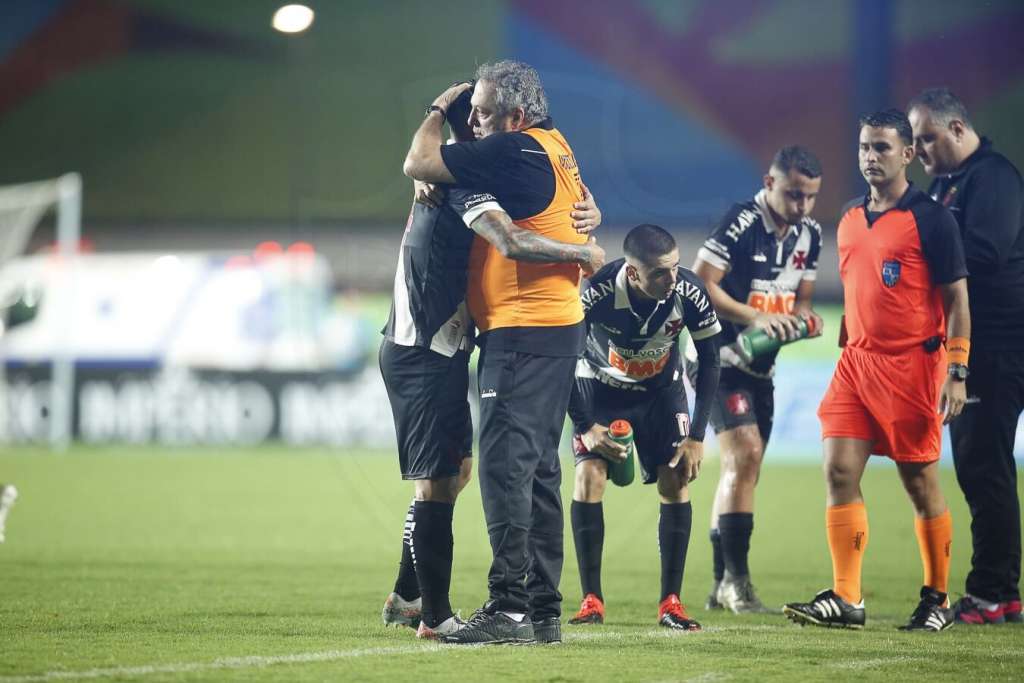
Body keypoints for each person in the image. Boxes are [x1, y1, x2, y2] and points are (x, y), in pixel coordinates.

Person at [382, 87, 605, 640]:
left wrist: (588, 210)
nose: (485, 127)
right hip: (422, 348)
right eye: (478, 118)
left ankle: (410, 594)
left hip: (455, 346)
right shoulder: (459, 185)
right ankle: (435, 616)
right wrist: (582, 251)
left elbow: (561, 193)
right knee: (441, 481)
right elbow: (507, 238)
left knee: (458, 473)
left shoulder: (485, 172)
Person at [783, 109, 970, 632]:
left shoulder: (932, 220)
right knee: (839, 471)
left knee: (920, 482)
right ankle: (848, 597)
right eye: (865, 146)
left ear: (908, 154)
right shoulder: (848, 216)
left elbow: (957, 299)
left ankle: (937, 598)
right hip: (855, 364)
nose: (870, 156)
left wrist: (957, 368)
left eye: (882, 147)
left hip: (913, 367)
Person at [686, 146, 824, 614]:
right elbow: (700, 283)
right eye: (794, 194)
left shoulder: (810, 234)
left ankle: (718, 585)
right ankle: (736, 583)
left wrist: (804, 320)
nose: (802, 205)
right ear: (769, 183)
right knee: (744, 455)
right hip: (717, 358)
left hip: (760, 366)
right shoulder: (742, 221)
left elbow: (803, 299)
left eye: (810, 196)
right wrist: (757, 317)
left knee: (744, 468)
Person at [566, 224, 721, 631]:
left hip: (660, 394)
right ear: (633, 273)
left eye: (676, 267)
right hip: (599, 389)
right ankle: (591, 600)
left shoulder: (689, 292)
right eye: (660, 273)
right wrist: (585, 426)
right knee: (588, 478)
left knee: (676, 479)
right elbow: (563, 359)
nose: (673, 279)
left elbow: (711, 361)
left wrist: (697, 436)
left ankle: (672, 603)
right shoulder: (596, 292)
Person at [908, 88, 1024, 625]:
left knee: (983, 467)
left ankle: (993, 593)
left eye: (927, 138)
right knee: (982, 467)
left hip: (999, 343)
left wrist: (917, 264)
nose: (919, 150)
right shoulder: (947, 183)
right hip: (980, 344)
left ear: (957, 129)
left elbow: (983, 254)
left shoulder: (992, 177)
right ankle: (1000, 592)